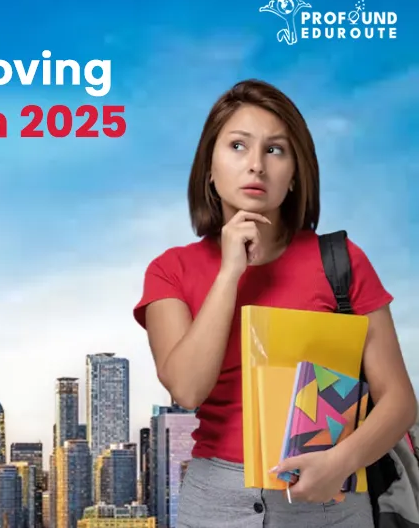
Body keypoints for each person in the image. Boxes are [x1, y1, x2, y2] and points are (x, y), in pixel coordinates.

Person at [133, 79, 417, 527]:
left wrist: (339, 463)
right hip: (214, 504)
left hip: (328, 499)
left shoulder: (343, 262)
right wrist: (229, 272)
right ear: (210, 168)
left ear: (295, 173)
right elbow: (186, 390)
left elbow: (399, 400)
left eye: (275, 150)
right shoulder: (171, 271)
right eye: (238, 146)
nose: (256, 166)